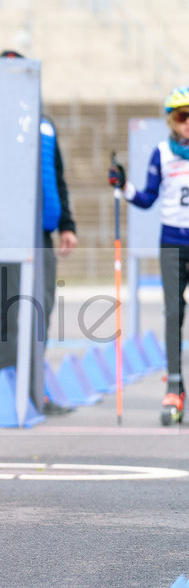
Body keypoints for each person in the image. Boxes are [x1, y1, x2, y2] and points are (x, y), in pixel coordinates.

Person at [0, 50, 78, 416]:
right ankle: (7, 382)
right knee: (5, 310)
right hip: (1, 232)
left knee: (39, 308)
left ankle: (35, 387)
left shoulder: (44, 125)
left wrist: (67, 225)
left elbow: (56, 178)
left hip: (39, 233)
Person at [109, 86, 189, 426]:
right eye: (183, 117)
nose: (188, 124)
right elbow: (146, 198)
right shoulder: (161, 153)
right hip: (172, 241)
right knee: (173, 311)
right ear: (171, 120)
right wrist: (122, 186)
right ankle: (174, 386)